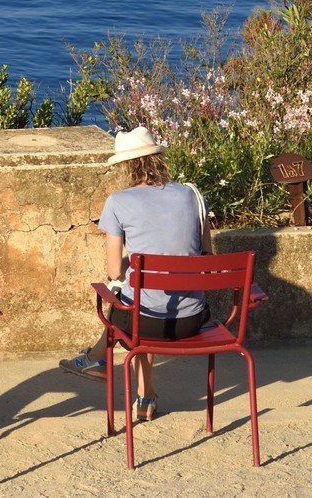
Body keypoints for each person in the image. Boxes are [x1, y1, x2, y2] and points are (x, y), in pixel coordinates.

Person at [57, 126, 211, 423]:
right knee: (141, 299)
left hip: (148, 323)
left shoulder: (118, 201)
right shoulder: (193, 195)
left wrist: (134, 266)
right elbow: (205, 256)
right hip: (192, 320)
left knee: (130, 303)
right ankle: (141, 394)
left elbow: (114, 270)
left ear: (125, 167)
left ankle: (98, 360)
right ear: (158, 160)